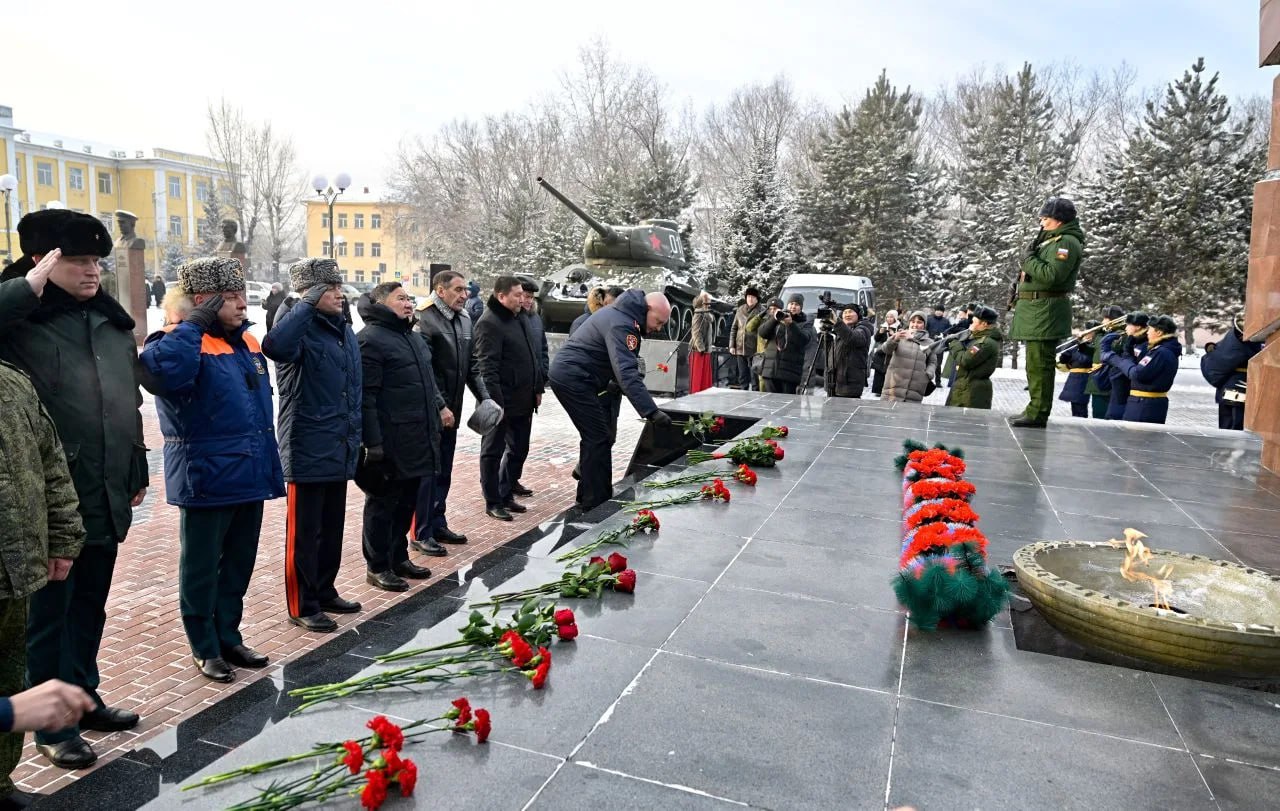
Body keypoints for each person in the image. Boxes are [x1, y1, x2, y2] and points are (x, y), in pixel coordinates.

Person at [0, 210, 150, 770]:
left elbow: (125, 399)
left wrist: (136, 463)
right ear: (44, 260)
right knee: (49, 613)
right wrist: (24, 289)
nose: (93, 271)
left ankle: (83, 698)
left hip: (105, 483)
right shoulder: (20, 318)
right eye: (79, 261)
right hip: (47, 494)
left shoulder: (108, 322)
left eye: (97, 261)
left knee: (90, 604)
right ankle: (50, 720)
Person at [141, 257, 284, 685]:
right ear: (204, 301)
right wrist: (194, 324)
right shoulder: (173, 341)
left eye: (243, 294)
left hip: (250, 471)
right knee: (202, 568)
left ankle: (229, 635)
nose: (244, 304)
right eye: (233, 297)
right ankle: (204, 646)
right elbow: (164, 374)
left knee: (239, 564)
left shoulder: (247, 343)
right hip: (206, 476)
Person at [0, 357, 87, 801]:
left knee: (9, 675)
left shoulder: (12, 382)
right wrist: (9, 712)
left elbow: (51, 463)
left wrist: (63, 536)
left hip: (16, 575)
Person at [262, 259, 363, 634]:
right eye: (329, 288)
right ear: (310, 294)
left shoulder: (342, 329)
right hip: (306, 442)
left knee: (331, 526)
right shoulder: (296, 327)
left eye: (338, 287)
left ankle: (324, 589)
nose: (339, 294)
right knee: (303, 532)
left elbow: (352, 389)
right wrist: (305, 305)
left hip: (338, 443)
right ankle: (301, 602)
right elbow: (275, 346)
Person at [356, 282, 449, 591]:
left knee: (406, 502)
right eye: (401, 299)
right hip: (389, 440)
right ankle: (378, 565)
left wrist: (438, 409)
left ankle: (398, 557)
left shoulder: (412, 338)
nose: (409, 303)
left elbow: (427, 383)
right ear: (382, 303)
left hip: (417, 436)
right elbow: (366, 397)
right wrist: (374, 444)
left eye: (409, 298)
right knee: (383, 504)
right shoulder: (370, 340)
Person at [549, 289, 672, 510]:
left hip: (577, 376)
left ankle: (590, 496)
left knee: (596, 436)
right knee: (598, 437)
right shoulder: (624, 324)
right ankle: (594, 502)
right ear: (649, 309)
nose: (658, 328)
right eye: (659, 322)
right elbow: (627, 372)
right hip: (573, 378)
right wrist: (651, 412)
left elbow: (612, 362)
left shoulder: (621, 315)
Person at [412, 269, 492, 553]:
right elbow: (424, 371)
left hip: (452, 410)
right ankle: (420, 532)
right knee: (427, 472)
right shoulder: (423, 317)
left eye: (465, 289)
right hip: (431, 410)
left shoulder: (464, 318)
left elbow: (472, 365)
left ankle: (437, 521)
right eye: (458, 289)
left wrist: (485, 398)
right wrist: (440, 406)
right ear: (440, 290)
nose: (464, 294)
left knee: (444, 469)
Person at [1009, 196, 1085, 428]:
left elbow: (1053, 276)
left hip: (1044, 312)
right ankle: (1034, 408)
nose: (1042, 223)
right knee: (1034, 363)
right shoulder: (1051, 241)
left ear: (1059, 220)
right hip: (1036, 312)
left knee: (1041, 364)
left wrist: (1028, 260)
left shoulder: (1066, 243)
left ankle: (1038, 412)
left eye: (1046, 219)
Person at [474, 276, 543, 521]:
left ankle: (505, 492)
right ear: (501, 296)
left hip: (523, 399)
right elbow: (487, 369)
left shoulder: (520, 317)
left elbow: (533, 356)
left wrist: (537, 387)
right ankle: (493, 500)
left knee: (519, 448)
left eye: (523, 294)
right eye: (517, 295)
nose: (522, 299)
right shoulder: (489, 323)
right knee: (492, 453)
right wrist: (496, 404)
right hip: (500, 403)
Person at [1103, 315, 1182, 424]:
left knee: (1136, 439)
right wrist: (1128, 352)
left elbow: (1137, 374)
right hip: (1144, 403)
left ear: (1159, 332)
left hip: (1144, 405)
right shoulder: (1161, 350)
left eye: (1150, 329)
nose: (1147, 332)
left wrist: (1116, 360)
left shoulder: (1160, 352)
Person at [511, 277, 548, 499]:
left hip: (528, 391)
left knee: (521, 443)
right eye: (524, 295)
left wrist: (540, 384)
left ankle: (513, 478)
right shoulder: (506, 319)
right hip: (507, 393)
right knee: (503, 445)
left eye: (531, 297)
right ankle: (497, 483)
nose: (527, 301)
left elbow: (542, 352)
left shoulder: (534, 319)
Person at [1201, 315, 1262, 430]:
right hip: (1239, 388)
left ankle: (1227, 447)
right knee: (1235, 429)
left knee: (1227, 427)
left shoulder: (1232, 338)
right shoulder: (1247, 342)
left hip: (1229, 388)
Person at [945, 306, 1003, 409]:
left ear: (984, 324)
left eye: (974, 322)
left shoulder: (984, 343)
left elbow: (965, 361)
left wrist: (954, 343)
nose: (971, 324)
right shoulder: (979, 339)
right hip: (966, 388)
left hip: (970, 392)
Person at [757, 293, 811, 393]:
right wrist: (774, 319)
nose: (793, 306)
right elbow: (762, 333)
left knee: (786, 405)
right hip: (770, 370)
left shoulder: (805, 323)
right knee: (770, 405)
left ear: (801, 307)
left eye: (796, 304)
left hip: (789, 374)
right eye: (791, 303)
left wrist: (791, 324)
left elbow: (803, 340)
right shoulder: (777, 318)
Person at [1099, 312, 1149, 419]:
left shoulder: (1142, 344)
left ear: (1138, 326)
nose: (1125, 328)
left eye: (1128, 325)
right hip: (1119, 389)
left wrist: (1113, 357)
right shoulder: (1134, 340)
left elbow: (1131, 366)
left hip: (1126, 391)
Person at [882, 311, 936, 403]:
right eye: (913, 321)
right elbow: (885, 349)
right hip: (894, 383)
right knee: (888, 412)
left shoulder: (929, 342)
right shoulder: (900, 335)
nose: (915, 325)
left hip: (916, 385)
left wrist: (928, 374)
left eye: (919, 322)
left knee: (910, 414)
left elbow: (932, 362)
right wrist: (894, 339)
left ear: (924, 325)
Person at [824, 303, 873, 398]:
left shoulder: (863, 329)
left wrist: (837, 323)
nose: (847, 314)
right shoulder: (841, 330)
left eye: (850, 312)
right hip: (834, 382)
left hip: (849, 384)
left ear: (858, 315)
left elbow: (852, 338)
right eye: (845, 312)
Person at [1085, 305, 1126, 418]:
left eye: (1105, 319)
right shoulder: (1103, 334)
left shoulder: (1120, 334)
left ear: (1113, 320)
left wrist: (1099, 334)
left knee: (1105, 416)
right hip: (1097, 378)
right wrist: (1083, 344)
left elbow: (1111, 350)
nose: (1102, 321)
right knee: (1097, 413)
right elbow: (1094, 353)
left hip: (1107, 378)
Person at [1057, 320, 1102, 418]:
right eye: (1087, 331)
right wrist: (1075, 342)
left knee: (1082, 409)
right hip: (1076, 380)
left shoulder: (1097, 344)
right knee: (1077, 408)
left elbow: (1086, 360)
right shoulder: (1078, 344)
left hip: (1087, 378)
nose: (1088, 334)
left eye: (1091, 332)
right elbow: (1063, 358)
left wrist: (1082, 347)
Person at [728, 287, 762, 390]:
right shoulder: (740, 309)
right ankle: (743, 395)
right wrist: (731, 345)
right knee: (742, 376)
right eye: (748, 297)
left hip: (755, 349)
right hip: (740, 347)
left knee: (754, 377)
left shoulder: (762, 311)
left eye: (752, 297)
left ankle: (755, 397)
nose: (750, 299)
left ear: (757, 299)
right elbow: (734, 328)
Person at [745, 298, 782, 392]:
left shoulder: (781, 322)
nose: (772, 310)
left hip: (775, 360)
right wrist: (760, 315)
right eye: (770, 308)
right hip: (761, 359)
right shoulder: (763, 321)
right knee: (762, 385)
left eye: (775, 308)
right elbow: (749, 327)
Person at [688, 291, 715, 394]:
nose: (709, 303)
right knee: (697, 377)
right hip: (698, 350)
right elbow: (696, 333)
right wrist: (701, 348)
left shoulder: (707, 315)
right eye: (707, 301)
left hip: (705, 350)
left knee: (704, 377)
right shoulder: (698, 314)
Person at [871, 309, 900, 396]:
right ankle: (878, 391)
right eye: (887, 317)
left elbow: (900, 341)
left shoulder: (899, 327)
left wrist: (892, 334)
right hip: (881, 352)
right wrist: (880, 333)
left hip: (892, 353)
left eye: (891, 317)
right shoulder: (882, 326)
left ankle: (889, 390)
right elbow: (876, 339)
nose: (889, 319)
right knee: (879, 371)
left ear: (895, 318)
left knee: (890, 372)